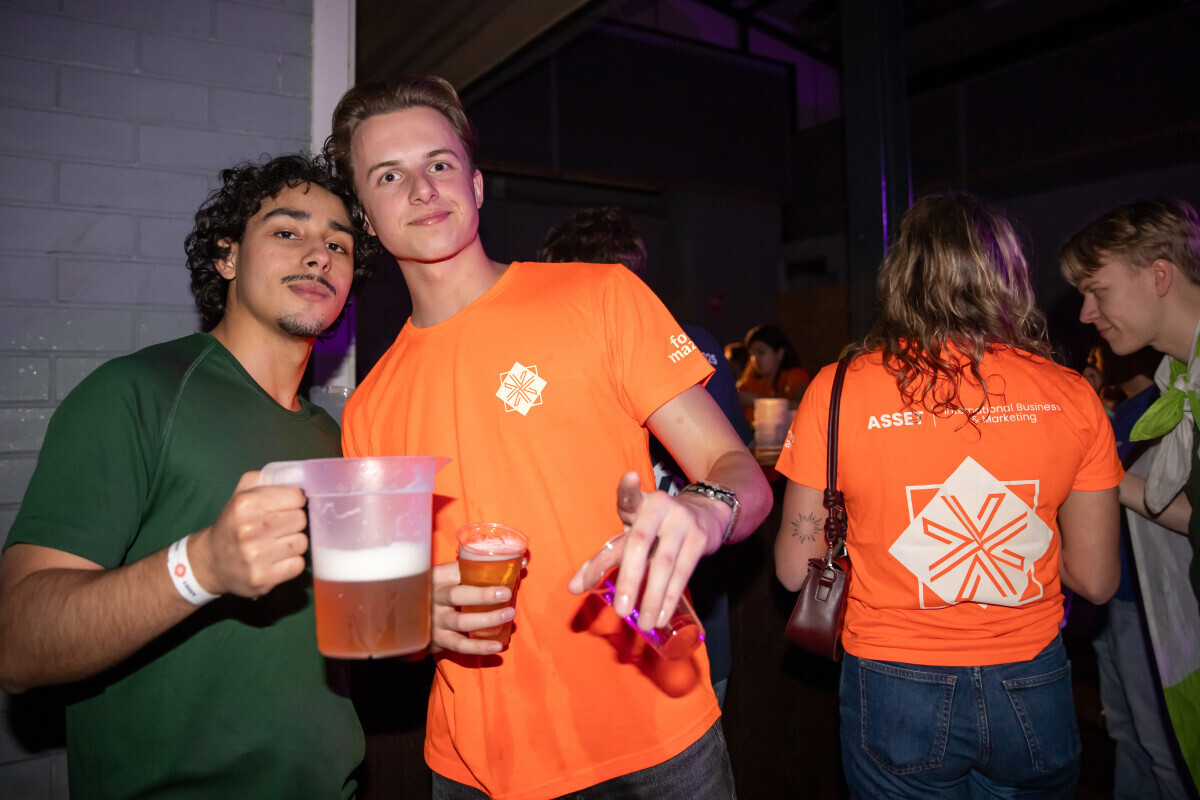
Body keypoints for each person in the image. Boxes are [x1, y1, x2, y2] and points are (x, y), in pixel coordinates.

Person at [325, 75, 771, 799]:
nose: (422, 188)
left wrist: (704, 509)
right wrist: (408, 627)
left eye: (439, 164)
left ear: (475, 184)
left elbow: (737, 472)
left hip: (653, 740)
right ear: (367, 220)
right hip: (477, 766)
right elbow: (372, 622)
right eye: (388, 175)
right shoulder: (368, 407)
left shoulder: (600, 297)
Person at [0, 153, 379, 798]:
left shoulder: (335, 437)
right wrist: (200, 565)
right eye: (288, 231)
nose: (318, 254)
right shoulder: (135, 394)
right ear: (227, 256)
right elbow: (18, 643)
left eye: (337, 244)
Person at [775, 191, 1122, 798]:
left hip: (893, 684)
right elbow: (1095, 581)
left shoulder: (837, 390)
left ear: (901, 277)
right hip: (1032, 682)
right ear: (1008, 278)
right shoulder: (1072, 395)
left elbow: (791, 568)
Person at [538, 205, 750, 708]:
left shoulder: (682, 346)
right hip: (667, 612)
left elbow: (737, 469)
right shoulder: (696, 341)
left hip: (667, 616)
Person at [1060, 197, 1200, 790]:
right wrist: (1099, 474)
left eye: (1098, 290)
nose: (1087, 313)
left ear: (1159, 275)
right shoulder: (1179, 379)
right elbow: (1191, 514)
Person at [736, 323, 809, 421]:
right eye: (752, 354)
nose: (755, 359)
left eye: (761, 353)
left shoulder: (795, 376)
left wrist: (757, 400)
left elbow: (805, 406)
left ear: (780, 353)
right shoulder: (750, 379)